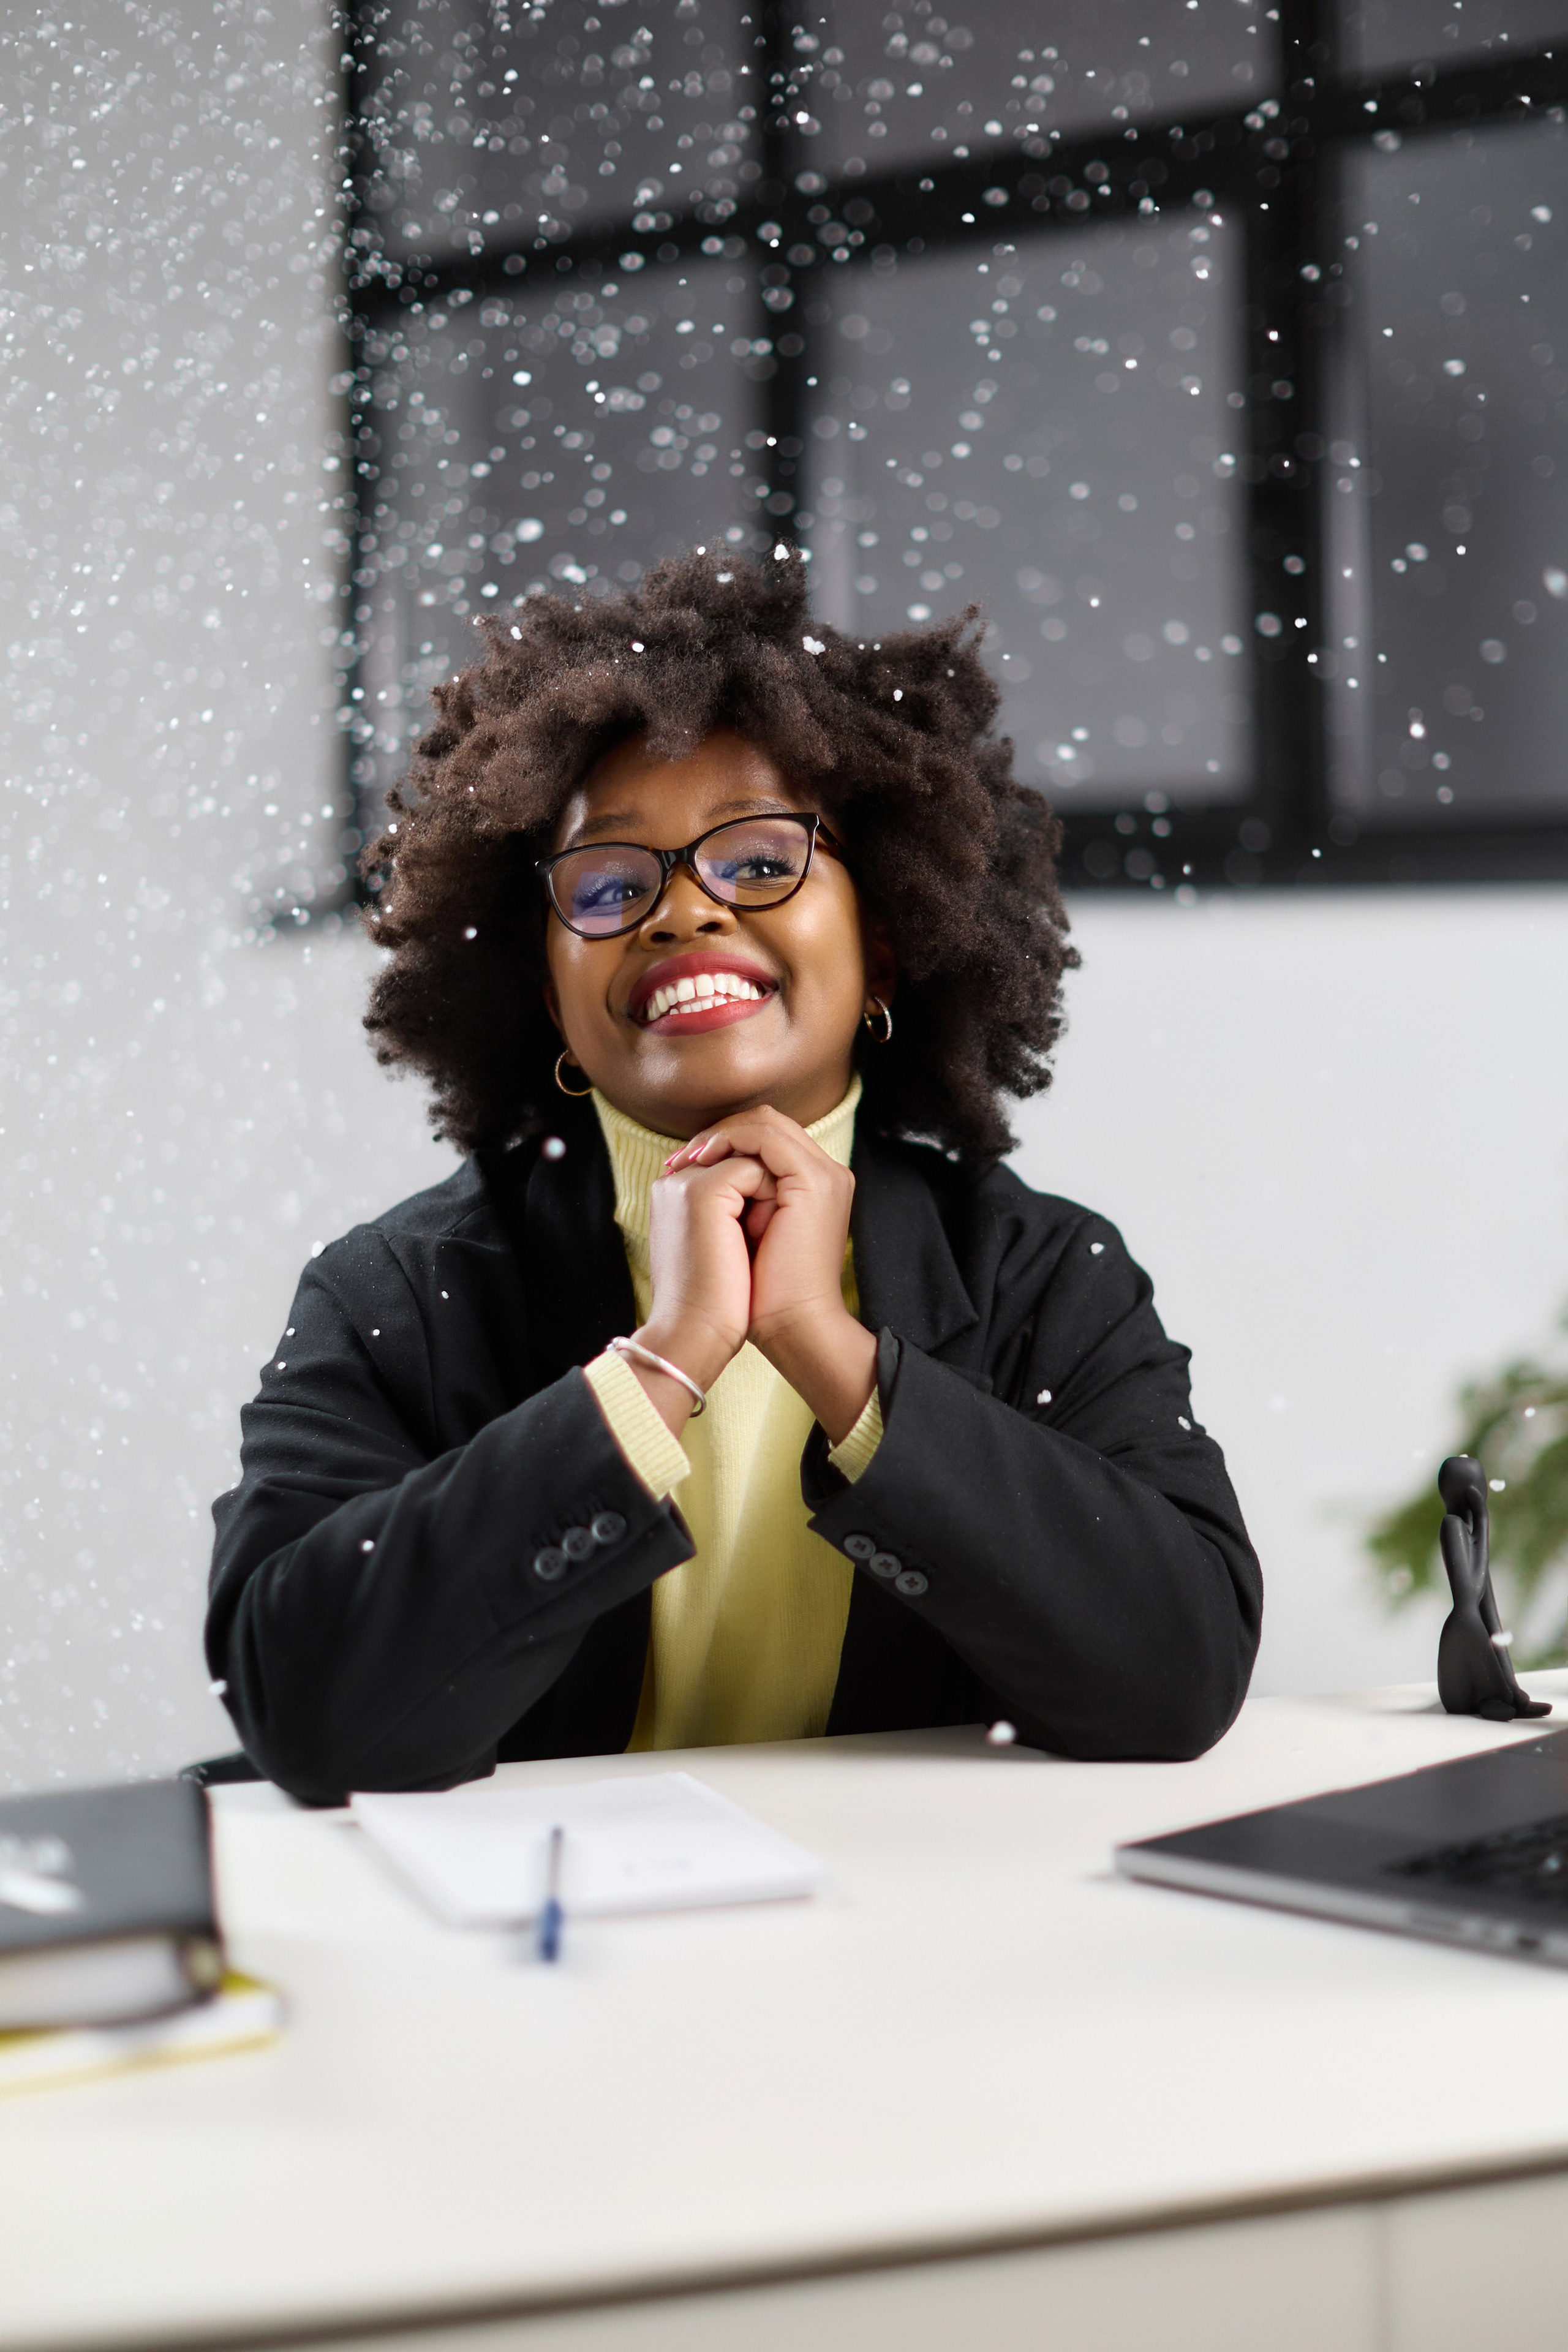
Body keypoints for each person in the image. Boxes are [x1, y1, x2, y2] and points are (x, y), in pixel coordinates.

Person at [206, 546, 1261, 1804]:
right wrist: (661, 1365)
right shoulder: (397, 1292)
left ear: (882, 943)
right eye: (607, 883)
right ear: (549, 993)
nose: (682, 912)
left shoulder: (1041, 1277)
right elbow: (310, 1711)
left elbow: (1172, 1678)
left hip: (915, 1942)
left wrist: (832, 1352)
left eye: (758, 860)